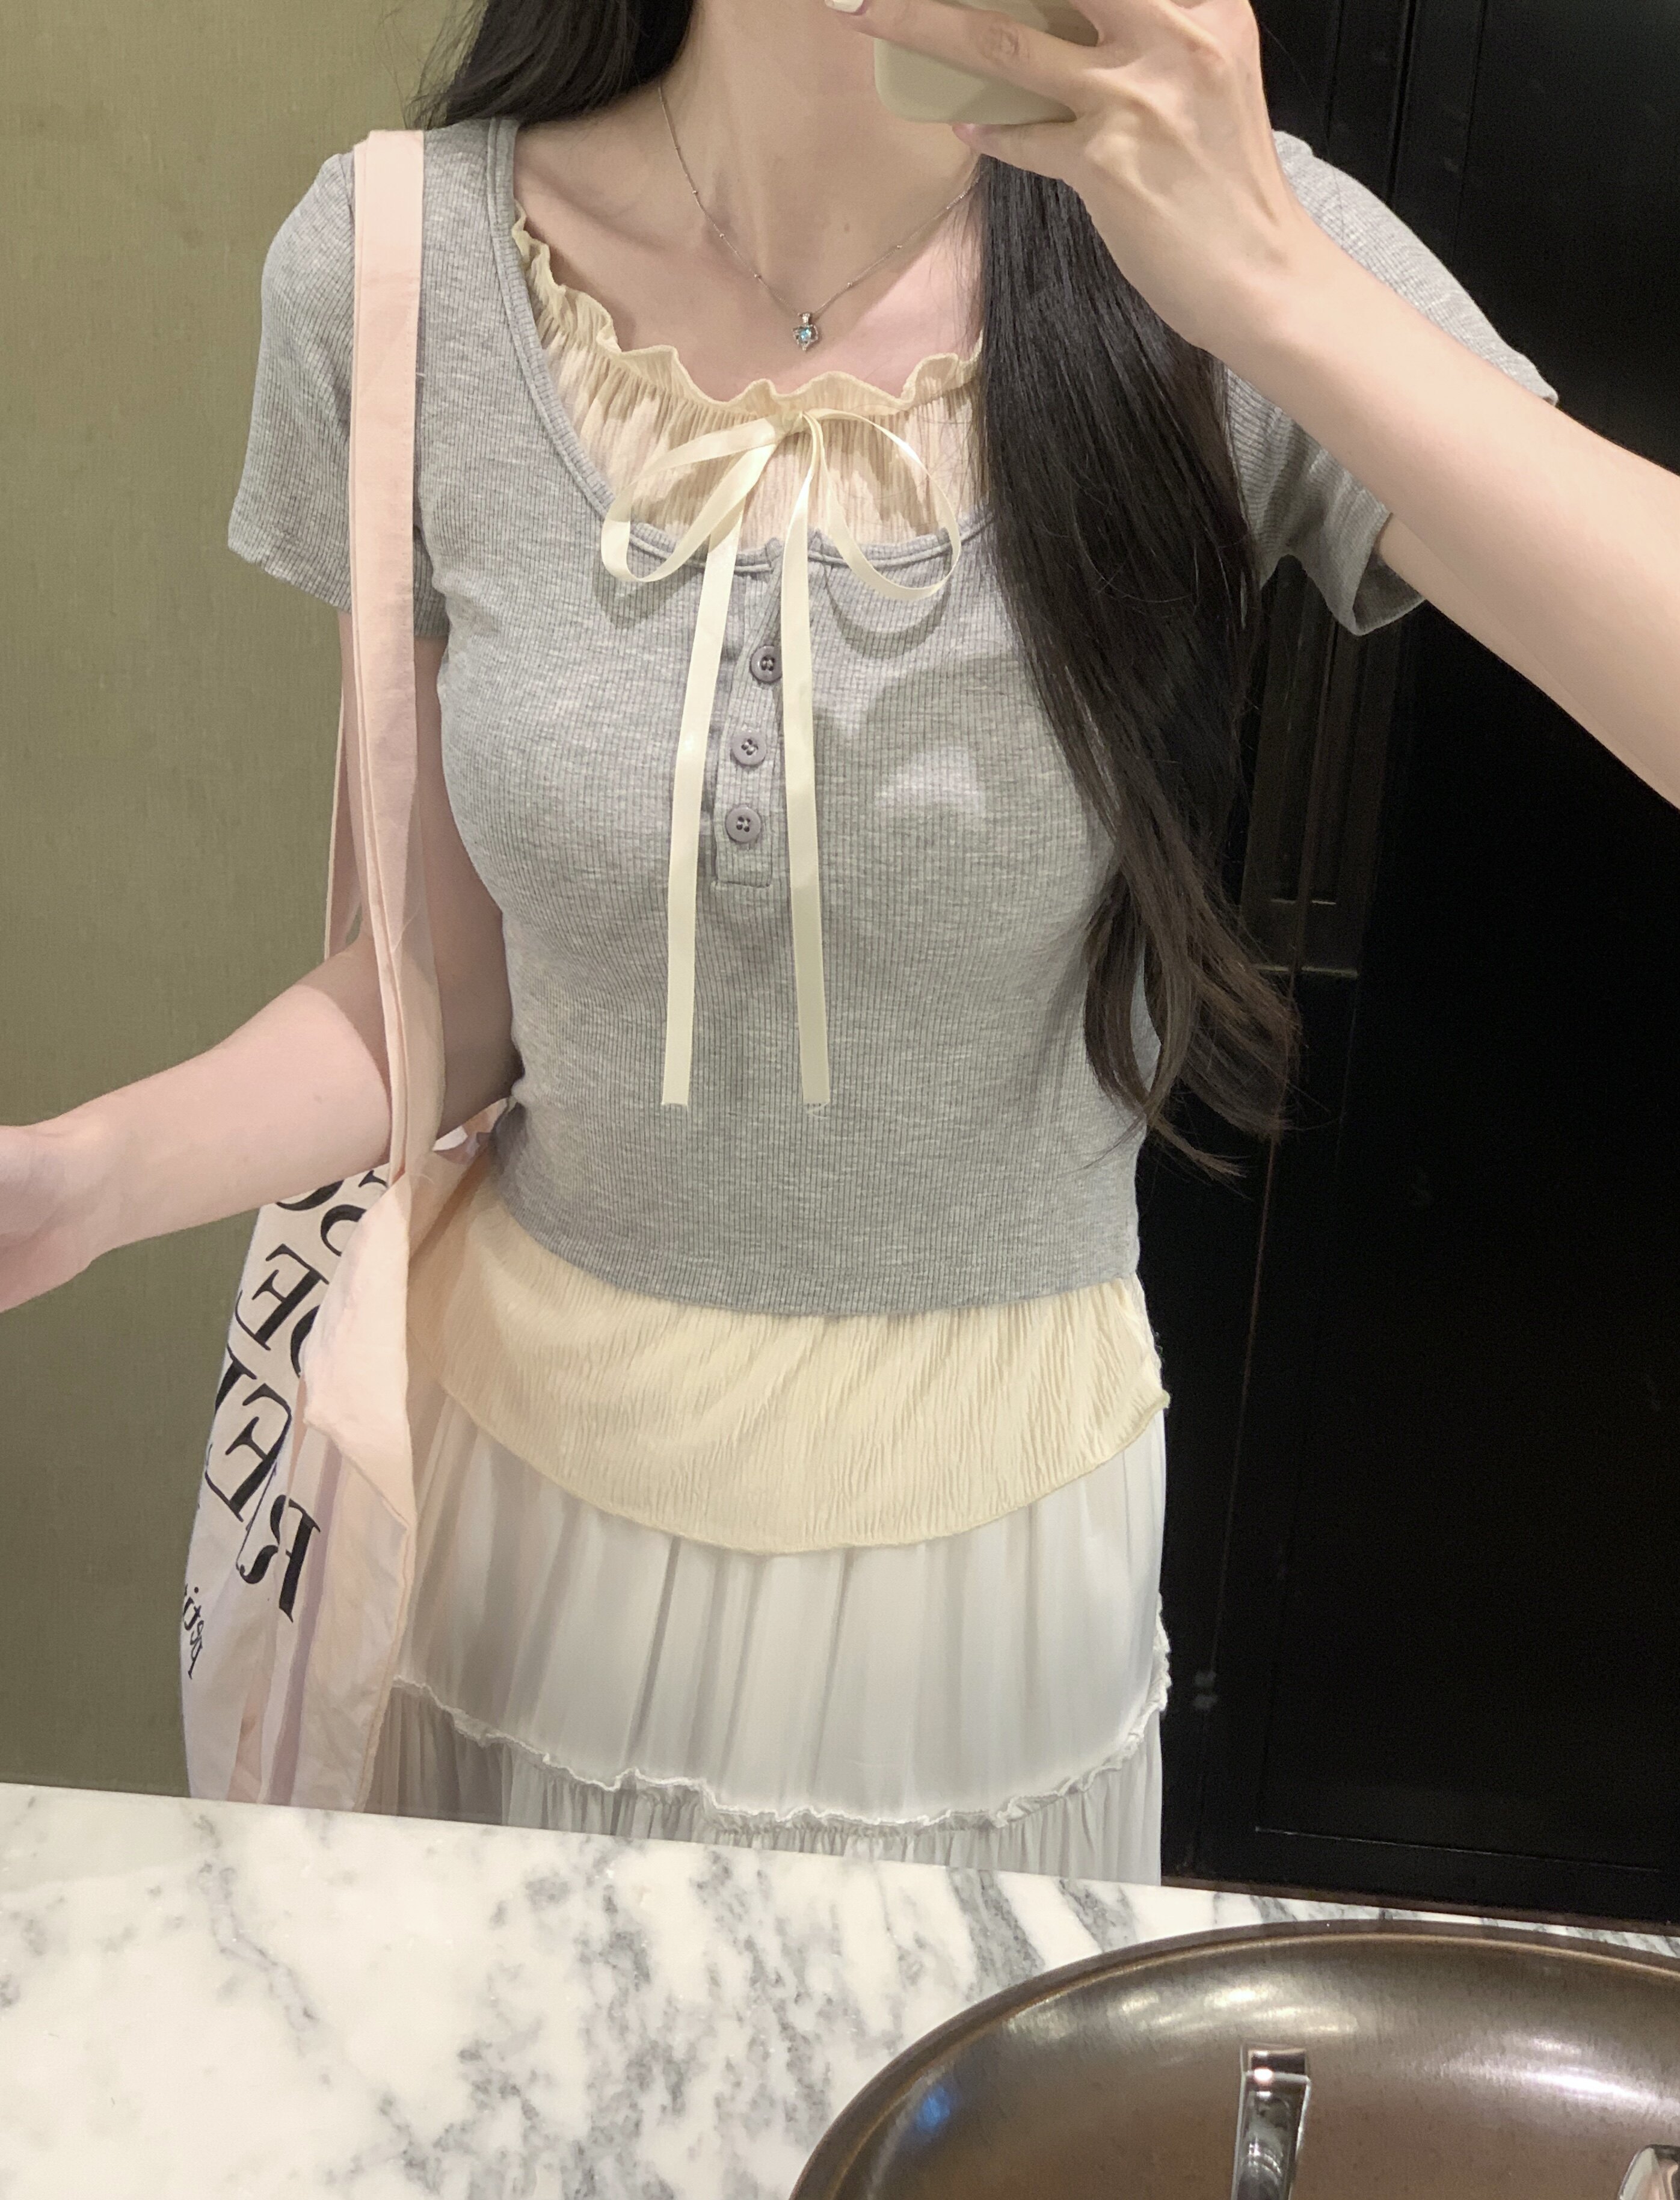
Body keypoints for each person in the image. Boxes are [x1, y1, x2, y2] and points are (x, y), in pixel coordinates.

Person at [4, 0, 1677, 1881]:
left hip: (986, 1558)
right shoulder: (397, 269)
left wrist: (1268, 288)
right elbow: (445, 991)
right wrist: (86, 1177)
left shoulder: (1221, 242)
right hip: (518, 1527)